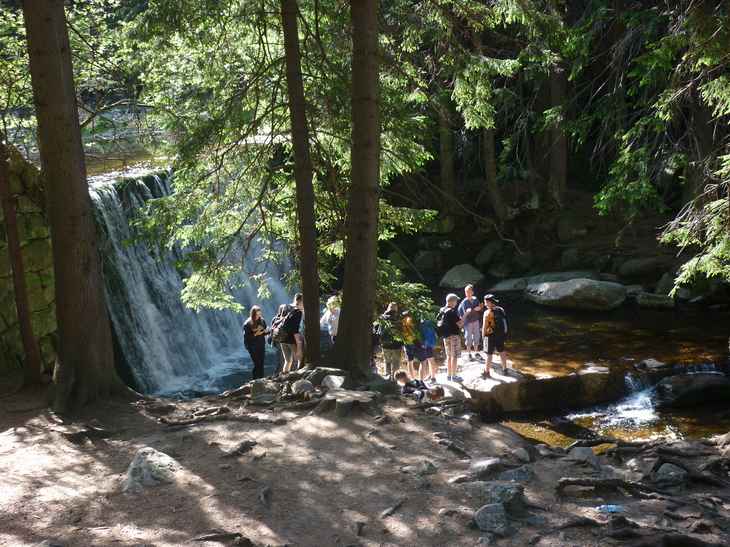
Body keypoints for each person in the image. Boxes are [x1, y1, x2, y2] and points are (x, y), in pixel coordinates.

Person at [273, 295, 303, 372]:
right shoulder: (298, 312)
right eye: (303, 302)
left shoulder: (285, 306)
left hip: (281, 337)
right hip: (291, 339)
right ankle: (298, 379)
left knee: (288, 361)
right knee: (300, 359)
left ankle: (284, 377)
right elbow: (295, 330)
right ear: (299, 301)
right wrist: (299, 345)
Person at [481, 293, 509, 378]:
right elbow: (506, 323)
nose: (485, 304)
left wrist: (483, 337)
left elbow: (484, 326)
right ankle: (504, 369)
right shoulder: (501, 309)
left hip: (489, 336)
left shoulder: (487, 312)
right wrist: (505, 334)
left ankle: (487, 372)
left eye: (486, 302)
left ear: (489, 302)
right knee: (502, 351)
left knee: (489, 354)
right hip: (500, 335)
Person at [439, 293, 463, 382]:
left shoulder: (442, 310)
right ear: (452, 301)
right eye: (456, 301)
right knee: (455, 356)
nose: (456, 303)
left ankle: (449, 375)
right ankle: (454, 376)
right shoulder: (452, 312)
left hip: (446, 336)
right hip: (454, 336)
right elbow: (460, 324)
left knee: (449, 356)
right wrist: (466, 315)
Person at [458, 284, 483, 361]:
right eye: (466, 292)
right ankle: (469, 353)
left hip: (476, 320)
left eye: (469, 291)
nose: (467, 293)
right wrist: (474, 310)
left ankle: (476, 352)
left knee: (477, 336)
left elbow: (480, 309)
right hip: (468, 322)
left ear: (472, 292)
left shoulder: (475, 299)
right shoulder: (464, 302)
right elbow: (463, 314)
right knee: (468, 337)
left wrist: (480, 308)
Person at [243, 305, 268, 379]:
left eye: (260, 314)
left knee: (261, 363)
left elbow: (264, 331)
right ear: (253, 314)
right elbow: (247, 337)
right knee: (257, 364)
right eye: (257, 315)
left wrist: (267, 331)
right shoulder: (247, 323)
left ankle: (261, 379)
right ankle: (255, 380)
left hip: (261, 344)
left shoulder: (262, 320)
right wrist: (256, 334)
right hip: (252, 346)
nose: (259, 316)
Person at [378, 302, 402, 379]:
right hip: (396, 344)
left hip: (385, 344)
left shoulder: (383, 317)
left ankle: (387, 377)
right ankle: (395, 379)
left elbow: (379, 330)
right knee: (396, 362)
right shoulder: (398, 317)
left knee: (387, 361)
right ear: (396, 308)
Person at [401, 311, 421, 379]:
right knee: (422, 359)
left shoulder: (401, 322)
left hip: (406, 342)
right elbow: (413, 332)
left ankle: (412, 378)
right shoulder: (409, 320)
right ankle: (420, 377)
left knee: (410, 361)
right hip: (413, 342)